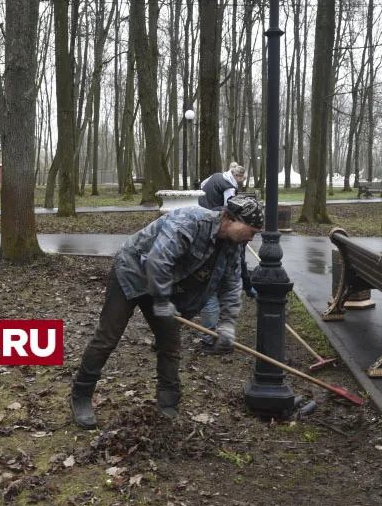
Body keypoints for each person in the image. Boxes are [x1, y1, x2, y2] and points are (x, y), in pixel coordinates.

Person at [69, 194, 265, 429]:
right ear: (232, 219)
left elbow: (231, 283)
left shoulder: (234, 245)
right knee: (107, 338)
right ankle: (81, 395)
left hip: (164, 284)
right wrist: (162, 300)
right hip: (132, 270)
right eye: (251, 230)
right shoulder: (190, 221)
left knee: (170, 344)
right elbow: (158, 260)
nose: (253, 237)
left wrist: (227, 324)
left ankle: (168, 405)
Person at [197, 162, 254, 348]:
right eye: (241, 178)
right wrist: (247, 283)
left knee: (215, 290)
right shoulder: (230, 187)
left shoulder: (214, 176)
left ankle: (213, 336)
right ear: (237, 176)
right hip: (217, 229)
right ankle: (209, 339)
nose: (241, 182)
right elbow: (232, 207)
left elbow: (202, 187)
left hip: (208, 217)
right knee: (211, 293)